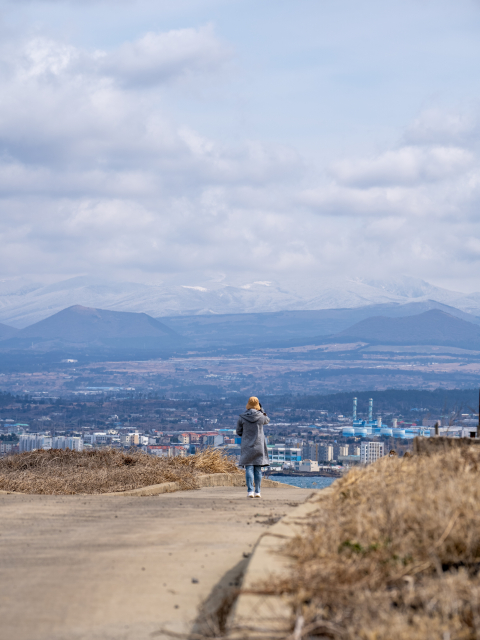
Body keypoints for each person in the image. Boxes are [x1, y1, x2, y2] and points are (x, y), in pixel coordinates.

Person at [236, 396, 270, 498]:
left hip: (247, 446)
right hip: (259, 445)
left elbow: (238, 431)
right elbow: (267, 420)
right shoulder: (261, 417)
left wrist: (245, 435)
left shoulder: (242, 417)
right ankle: (258, 491)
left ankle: (250, 491)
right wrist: (261, 410)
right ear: (257, 405)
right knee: (258, 470)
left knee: (249, 468)